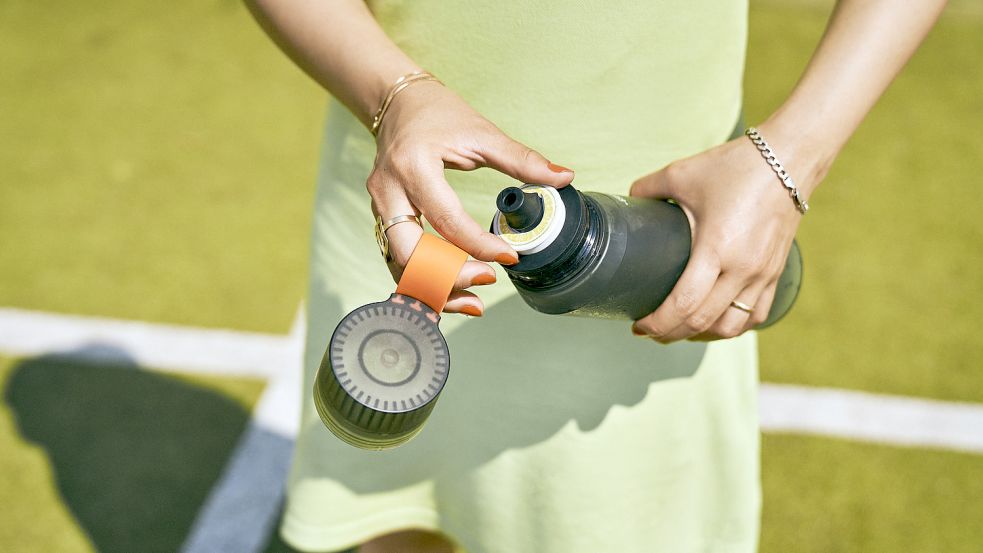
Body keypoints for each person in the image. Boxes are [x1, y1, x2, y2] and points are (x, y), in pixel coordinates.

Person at [245, 1, 947, 551]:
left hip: (663, 245)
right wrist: (393, 97)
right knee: (403, 520)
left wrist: (788, 162)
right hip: (402, 206)